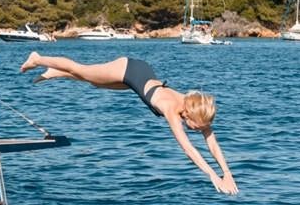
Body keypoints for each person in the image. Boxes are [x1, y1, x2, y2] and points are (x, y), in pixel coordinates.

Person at [19, 52, 238, 195]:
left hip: (141, 75)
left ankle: (56, 73)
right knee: (82, 70)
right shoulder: (171, 109)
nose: (198, 131)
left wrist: (226, 172)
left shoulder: (195, 109)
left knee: (96, 83)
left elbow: (211, 142)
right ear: (189, 115)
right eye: (197, 128)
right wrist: (212, 175)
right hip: (128, 70)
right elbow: (188, 149)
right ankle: (38, 58)